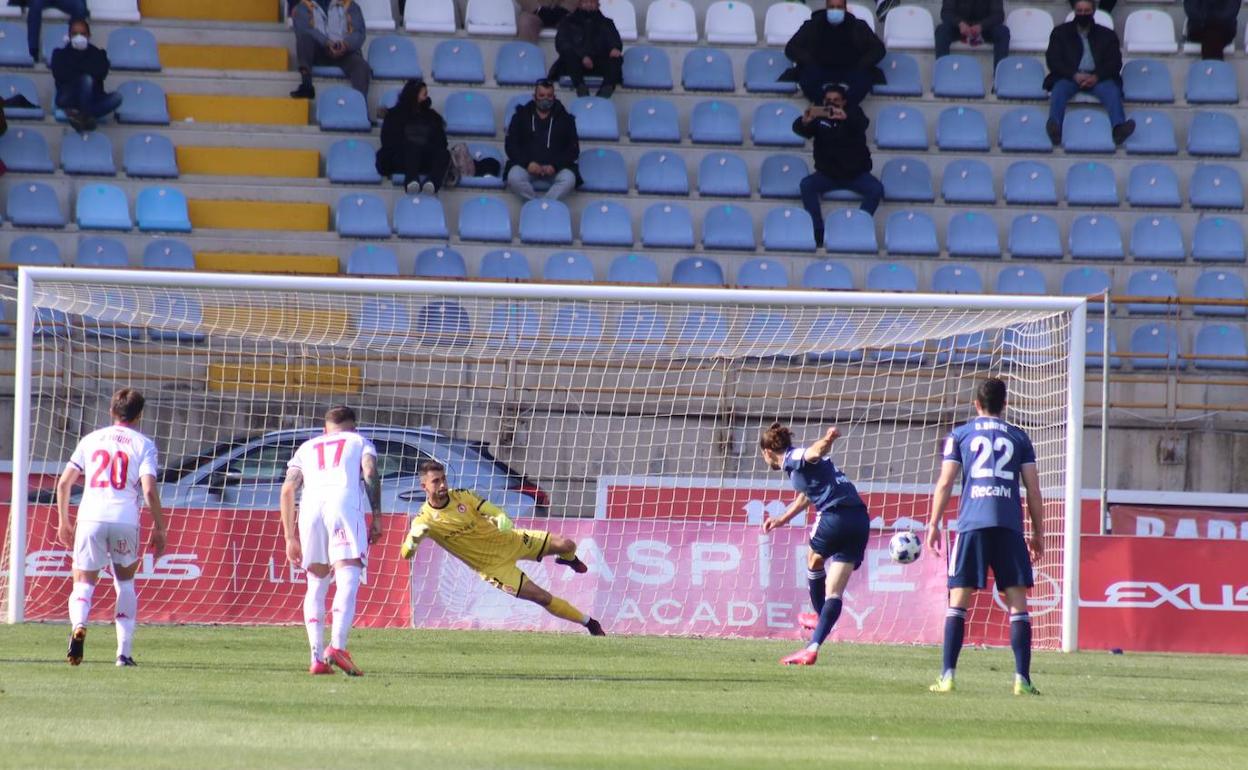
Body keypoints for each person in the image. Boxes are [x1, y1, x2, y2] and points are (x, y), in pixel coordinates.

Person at [924, 377, 1045, 696]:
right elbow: (1033, 488)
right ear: (1004, 405)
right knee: (1018, 603)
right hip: (1009, 525)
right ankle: (1022, 679)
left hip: (972, 524)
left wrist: (934, 523)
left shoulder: (960, 435)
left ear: (976, 404)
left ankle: (947, 676)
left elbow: (946, 482)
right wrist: (1037, 532)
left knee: (958, 602)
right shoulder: (1020, 437)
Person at [400, 461, 606, 636]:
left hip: (510, 540)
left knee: (567, 544)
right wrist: (413, 541)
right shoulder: (424, 519)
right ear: (424, 485)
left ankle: (569, 559)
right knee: (542, 597)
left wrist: (500, 517)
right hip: (494, 568)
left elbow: (491, 510)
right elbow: (405, 554)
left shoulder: (462, 496)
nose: (443, 484)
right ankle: (589, 623)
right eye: (436, 481)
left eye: (444, 478)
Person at [54, 388, 167, 667]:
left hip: (91, 516)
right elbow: (149, 490)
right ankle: (123, 654)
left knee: (83, 582)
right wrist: (160, 527)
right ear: (139, 415)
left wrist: (63, 521)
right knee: (125, 583)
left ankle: (79, 625)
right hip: (125, 518)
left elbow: (64, 483)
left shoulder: (90, 440)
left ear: (111, 411)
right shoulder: (144, 444)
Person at [280, 405, 383, 676]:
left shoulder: (307, 447)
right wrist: (377, 517)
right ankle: (337, 646)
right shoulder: (360, 441)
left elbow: (289, 488)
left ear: (324, 430)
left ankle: (315, 658)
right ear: (354, 427)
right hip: (343, 503)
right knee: (348, 574)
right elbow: (370, 473)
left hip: (310, 507)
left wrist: (290, 537)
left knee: (316, 581)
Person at [759, 423, 871, 666]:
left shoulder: (793, 457)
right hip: (860, 519)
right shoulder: (804, 471)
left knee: (813, 559)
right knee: (834, 592)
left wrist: (828, 439)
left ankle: (820, 618)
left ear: (767, 452)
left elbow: (814, 452)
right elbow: (806, 495)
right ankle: (812, 647)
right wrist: (782, 519)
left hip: (834, 515)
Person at [792, 83, 883, 250]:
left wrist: (845, 118)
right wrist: (804, 122)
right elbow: (800, 129)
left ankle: (858, 227)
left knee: (876, 189)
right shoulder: (820, 118)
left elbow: (861, 124)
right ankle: (818, 231)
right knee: (807, 185)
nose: (832, 104)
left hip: (855, 174)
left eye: (836, 100)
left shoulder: (854, 114)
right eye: (828, 100)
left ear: (844, 102)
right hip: (827, 174)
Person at [1044, 0, 1134, 146]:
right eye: (1079, 11)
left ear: (1093, 12)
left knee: (1112, 91)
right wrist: (1074, 75)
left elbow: (1115, 62)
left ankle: (1118, 129)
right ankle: (1055, 128)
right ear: (1074, 11)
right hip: (1070, 77)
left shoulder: (1107, 34)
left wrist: (1097, 76)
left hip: (1098, 78)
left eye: (1086, 11)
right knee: (1059, 89)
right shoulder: (1060, 33)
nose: (1083, 14)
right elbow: (1053, 60)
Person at [784, 0, 885, 106]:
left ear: (845, 9)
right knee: (807, 79)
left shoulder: (858, 26)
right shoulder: (813, 25)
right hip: (820, 67)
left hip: (851, 68)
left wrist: (861, 63)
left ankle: (846, 107)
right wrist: (809, 61)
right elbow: (791, 48)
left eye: (839, 7)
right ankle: (821, 106)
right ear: (826, 8)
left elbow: (878, 49)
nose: (835, 10)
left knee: (863, 80)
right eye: (832, 7)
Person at [505, 79, 581, 201]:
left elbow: (573, 149)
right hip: (527, 167)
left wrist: (555, 166)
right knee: (513, 177)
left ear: (554, 97)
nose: (545, 99)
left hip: (555, 169)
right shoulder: (520, 116)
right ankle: (536, 205)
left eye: (549, 96)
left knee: (569, 179)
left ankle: (544, 205)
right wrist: (527, 163)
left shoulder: (566, 118)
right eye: (541, 95)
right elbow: (510, 146)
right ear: (534, 97)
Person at [376, 79, 450, 195]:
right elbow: (388, 141)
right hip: (401, 159)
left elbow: (441, 142)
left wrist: (426, 147)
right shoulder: (394, 115)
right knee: (412, 146)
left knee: (444, 154)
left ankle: (432, 183)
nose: (426, 97)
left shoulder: (432, 116)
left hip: (425, 159)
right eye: (424, 94)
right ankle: (411, 181)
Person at [50, 18, 121, 134]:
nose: (79, 37)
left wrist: (78, 71)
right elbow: (60, 74)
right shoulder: (60, 54)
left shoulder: (98, 54)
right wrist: (86, 73)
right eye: (75, 34)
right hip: (68, 97)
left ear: (88, 35)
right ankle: (87, 117)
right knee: (87, 79)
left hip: (93, 98)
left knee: (117, 97)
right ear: (69, 35)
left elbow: (101, 73)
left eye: (82, 34)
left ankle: (80, 116)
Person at [289, 0, 371, 99]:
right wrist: (326, 42)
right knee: (304, 38)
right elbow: (303, 30)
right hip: (318, 53)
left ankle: (360, 106)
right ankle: (307, 86)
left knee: (361, 66)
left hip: (345, 52)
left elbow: (359, 33)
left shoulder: (350, 5)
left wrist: (345, 44)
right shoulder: (303, 6)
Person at [550, 0, 623, 98]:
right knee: (568, 54)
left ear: (598, 5)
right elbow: (562, 43)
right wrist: (582, 56)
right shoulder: (567, 22)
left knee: (616, 58)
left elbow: (615, 41)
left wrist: (614, 48)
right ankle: (580, 87)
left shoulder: (607, 23)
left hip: (598, 62)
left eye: (592, 2)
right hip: (575, 64)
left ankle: (605, 90)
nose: (589, 5)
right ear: (579, 4)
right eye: (585, 2)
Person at [934, 0, 1010, 67]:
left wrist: (982, 26)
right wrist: (959, 23)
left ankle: (999, 78)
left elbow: (999, 15)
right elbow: (946, 12)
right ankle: (943, 74)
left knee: (1003, 32)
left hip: (985, 29)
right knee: (941, 31)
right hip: (958, 28)